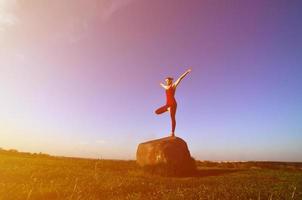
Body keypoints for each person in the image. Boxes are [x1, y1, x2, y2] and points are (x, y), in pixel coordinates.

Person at [155, 68, 191, 137]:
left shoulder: (173, 85)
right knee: (156, 112)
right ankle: (168, 109)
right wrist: (160, 84)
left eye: (168, 80)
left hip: (173, 104)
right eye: (166, 81)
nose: (167, 81)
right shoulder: (166, 87)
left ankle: (172, 132)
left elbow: (180, 78)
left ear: (171, 81)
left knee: (172, 117)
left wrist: (186, 72)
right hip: (167, 104)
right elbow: (162, 85)